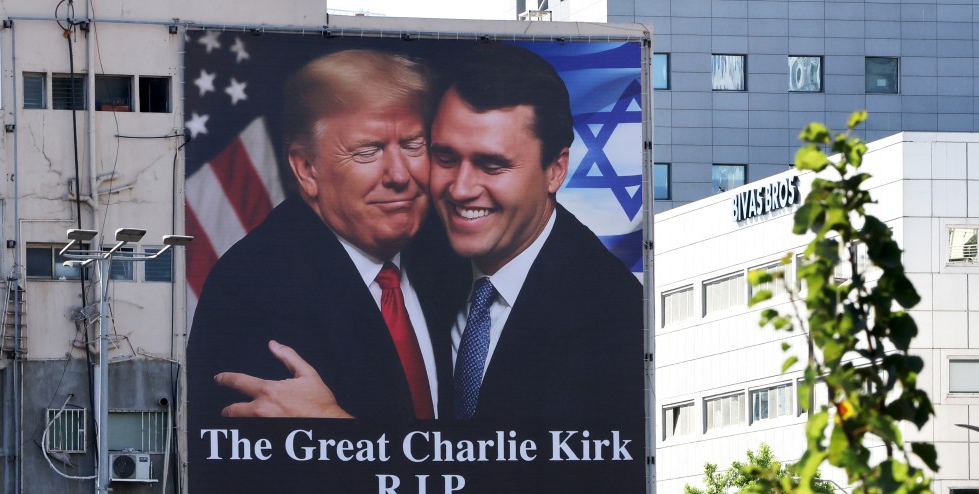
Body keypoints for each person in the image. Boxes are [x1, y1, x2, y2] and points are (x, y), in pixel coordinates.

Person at [186, 49, 460, 423]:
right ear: (306, 169)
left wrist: (337, 426)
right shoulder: (254, 287)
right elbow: (265, 472)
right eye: (368, 151)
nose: (400, 174)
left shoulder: (450, 263)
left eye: (413, 145)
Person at [428, 42, 644, 424]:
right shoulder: (416, 267)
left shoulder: (614, 317)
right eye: (445, 158)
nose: (460, 189)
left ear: (555, 171)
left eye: (491, 166)